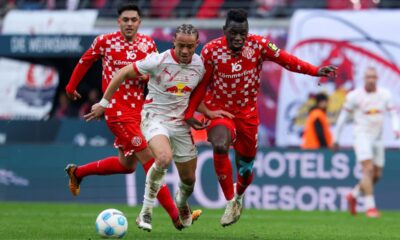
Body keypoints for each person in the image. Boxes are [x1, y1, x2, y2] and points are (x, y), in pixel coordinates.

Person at [184, 8, 337, 227]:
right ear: (224, 30)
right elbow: (201, 85)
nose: (238, 38)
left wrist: (315, 70)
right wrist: (190, 113)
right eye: (233, 33)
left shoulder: (259, 45)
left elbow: (287, 59)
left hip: (247, 116)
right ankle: (230, 203)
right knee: (219, 144)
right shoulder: (210, 51)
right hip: (221, 111)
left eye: (243, 33)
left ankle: (239, 195)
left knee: (245, 170)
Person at [63, 3, 200, 230]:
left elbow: (153, 75)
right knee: (151, 159)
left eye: (133, 20)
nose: (129, 24)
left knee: (127, 165)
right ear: (119, 21)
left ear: (139, 22)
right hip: (117, 112)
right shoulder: (105, 41)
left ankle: (77, 172)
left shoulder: (148, 44)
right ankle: (177, 218)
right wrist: (71, 87)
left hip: (140, 111)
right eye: (125, 19)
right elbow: (85, 61)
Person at [85, 24, 222, 232]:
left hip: (180, 124)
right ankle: (146, 211)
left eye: (190, 47)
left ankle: (182, 202)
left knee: (189, 179)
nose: (185, 51)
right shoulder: (158, 60)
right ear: (173, 42)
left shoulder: (200, 66)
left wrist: (204, 112)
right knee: (163, 158)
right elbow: (122, 73)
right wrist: (103, 104)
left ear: (197, 45)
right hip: (154, 118)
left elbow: (189, 94)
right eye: (181, 46)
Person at [333, 67, 400, 218]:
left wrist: (396, 128)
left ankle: (353, 194)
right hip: (361, 135)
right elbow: (342, 118)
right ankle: (370, 208)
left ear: (377, 78)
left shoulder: (385, 94)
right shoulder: (354, 96)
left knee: (377, 175)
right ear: (364, 78)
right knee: (368, 170)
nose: (371, 80)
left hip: (378, 138)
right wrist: (336, 138)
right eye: (368, 77)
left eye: (373, 77)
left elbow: (394, 113)